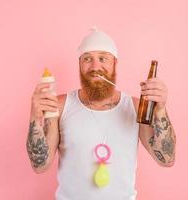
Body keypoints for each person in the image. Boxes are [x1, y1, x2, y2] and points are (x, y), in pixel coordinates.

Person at [26, 27, 176, 200]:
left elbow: (166, 159)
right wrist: (35, 118)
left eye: (102, 58)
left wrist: (161, 110)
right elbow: (40, 166)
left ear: (114, 64)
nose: (95, 66)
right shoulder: (59, 106)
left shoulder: (135, 108)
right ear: (80, 64)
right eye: (88, 59)